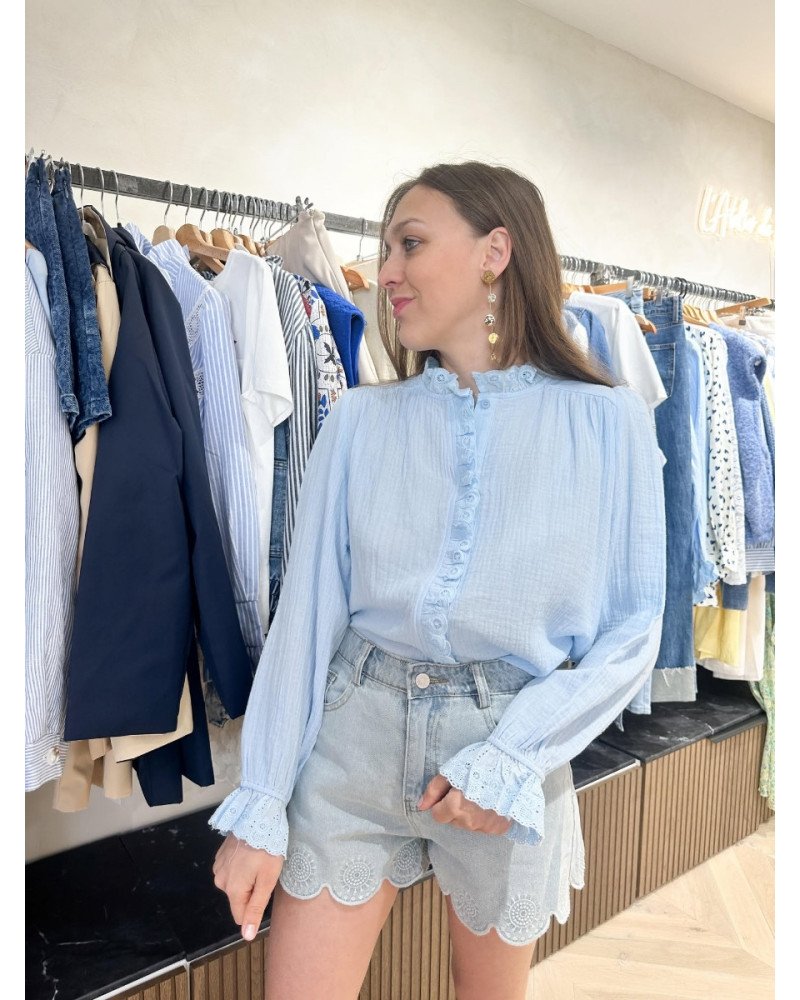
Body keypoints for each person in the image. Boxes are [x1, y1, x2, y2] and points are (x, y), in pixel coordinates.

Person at [210, 161, 666, 1000]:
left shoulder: (610, 422)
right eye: (385, 250)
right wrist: (263, 799)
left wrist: (514, 757)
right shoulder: (358, 420)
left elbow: (636, 627)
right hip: (352, 740)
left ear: (496, 251)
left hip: (508, 742)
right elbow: (305, 620)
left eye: (410, 244)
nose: (385, 272)